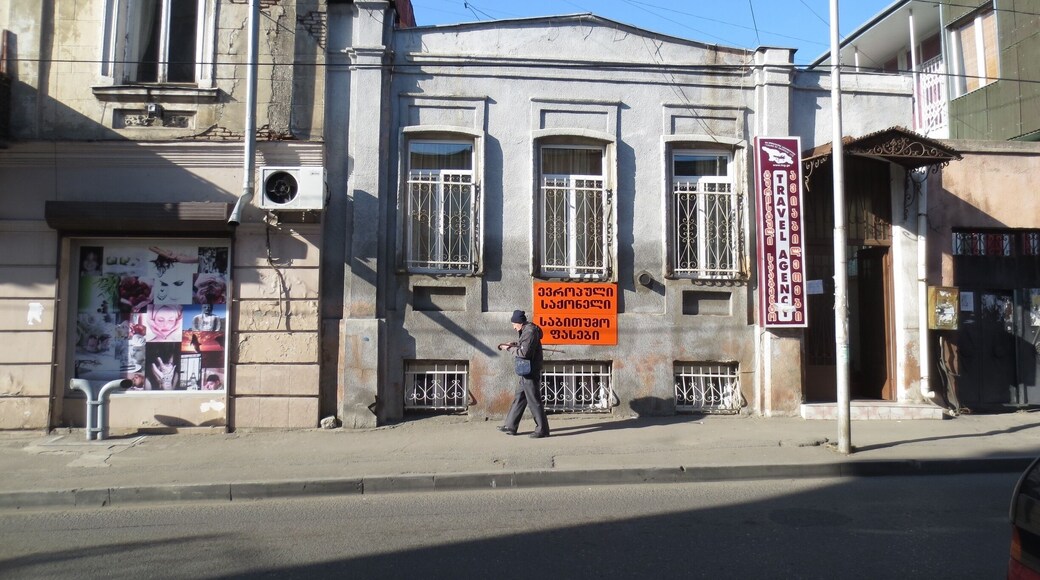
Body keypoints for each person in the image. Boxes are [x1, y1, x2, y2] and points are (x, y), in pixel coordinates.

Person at [497, 310, 550, 438]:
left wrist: (509, 348)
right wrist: (514, 344)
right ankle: (510, 425)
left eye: (514, 324)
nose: (513, 327)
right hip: (526, 371)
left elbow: (524, 353)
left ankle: (542, 430)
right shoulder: (526, 330)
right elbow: (525, 346)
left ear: (520, 323)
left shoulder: (530, 331)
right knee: (519, 398)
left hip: (530, 371)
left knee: (534, 401)